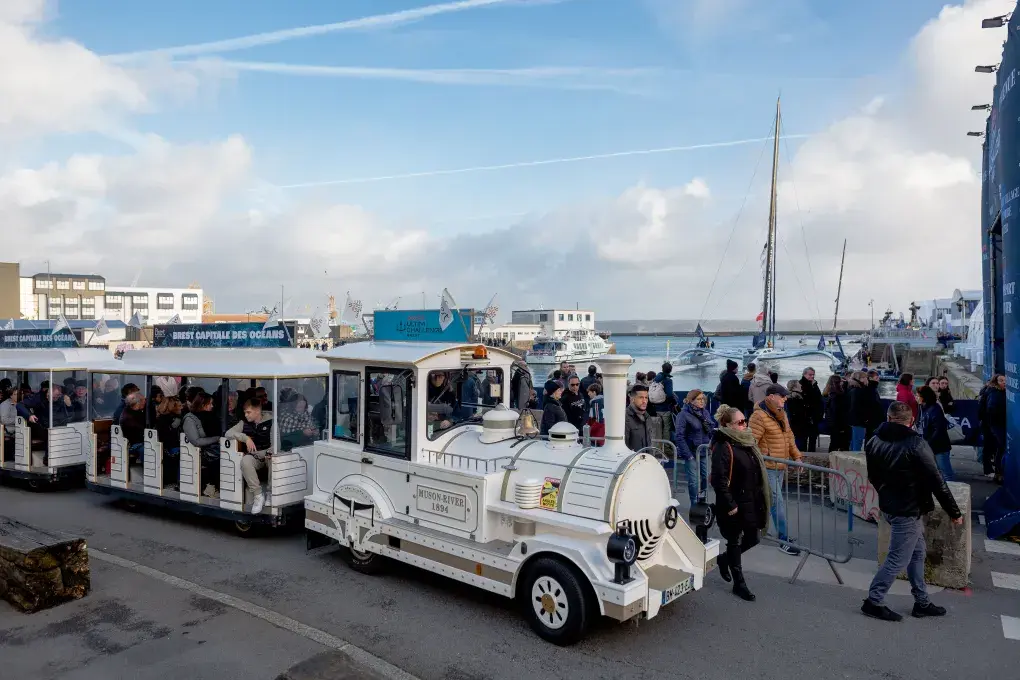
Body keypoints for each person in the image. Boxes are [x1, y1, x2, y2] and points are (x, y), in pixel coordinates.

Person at [861, 401, 963, 622]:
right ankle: (873, 601)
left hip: (890, 506)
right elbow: (938, 482)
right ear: (912, 421)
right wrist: (954, 512)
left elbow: (873, 476)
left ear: (888, 418)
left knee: (917, 553)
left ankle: (922, 602)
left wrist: (887, 494)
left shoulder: (873, 441)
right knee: (897, 559)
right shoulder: (917, 444)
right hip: (908, 510)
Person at [711, 404, 770, 602]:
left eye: (745, 421)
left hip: (751, 500)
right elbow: (719, 480)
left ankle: (724, 559)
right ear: (727, 425)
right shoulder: (723, 446)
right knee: (735, 540)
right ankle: (739, 584)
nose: (745, 425)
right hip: (734, 503)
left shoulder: (747, 442)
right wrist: (731, 505)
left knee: (753, 537)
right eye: (740, 422)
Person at [749, 383, 802, 555]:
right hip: (768, 467)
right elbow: (751, 442)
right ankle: (783, 539)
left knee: (769, 502)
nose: (785, 398)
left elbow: (789, 436)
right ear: (771, 396)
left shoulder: (782, 414)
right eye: (782, 396)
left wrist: (797, 457)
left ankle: (755, 530)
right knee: (776, 503)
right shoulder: (758, 416)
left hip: (780, 466)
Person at [225, 398, 274, 514]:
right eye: (245, 412)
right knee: (245, 461)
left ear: (257, 411)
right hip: (255, 457)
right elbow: (228, 433)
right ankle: (258, 496)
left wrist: (266, 453)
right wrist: (245, 438)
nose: (246, 415)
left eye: (248, 412)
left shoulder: (271, 421)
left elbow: (276, 445)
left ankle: (271, 493)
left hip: (267, 455)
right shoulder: (244, 423)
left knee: (274, 458)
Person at [673, 389, 716, 507]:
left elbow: (710, 430)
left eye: (703, 399)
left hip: (704, 450)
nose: (702, 401)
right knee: (693, 480)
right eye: (699, 399)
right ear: (691, 401)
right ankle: (694, 502)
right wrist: (688, 455)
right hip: (691, 452)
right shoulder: (683, 415)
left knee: (705, 476)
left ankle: (702, 498)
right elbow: (679, 436)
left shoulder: (705, 413)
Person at [182, 391, 221, 498]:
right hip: (199, 451)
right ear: (203, 405)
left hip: (212, 448)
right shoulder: (190, 419)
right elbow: (196, 441)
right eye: (210, 404)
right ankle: (211, 487)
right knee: (218, 458)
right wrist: (216, 439)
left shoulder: (212, 416)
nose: (212, 406)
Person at [916, 386, 953, 482]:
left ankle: (953, 492)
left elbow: (939, 429)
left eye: (918, 395)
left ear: (924, 397)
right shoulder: (922, 407)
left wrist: (928, 443)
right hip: (929, 445)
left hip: (939, 447)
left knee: (945, 472)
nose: (916, 397)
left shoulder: (935, 409)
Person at [978, 374, 1007, 481]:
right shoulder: (995, 393)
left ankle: (995, 471)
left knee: (995, 447)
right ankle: (994, 471)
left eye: (1005, 380)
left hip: (991, 424)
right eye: (1002, 380)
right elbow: (991, 409)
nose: (1004, 382)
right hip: (992, 424)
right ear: (996, 382)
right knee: (995, 447)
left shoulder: (994, 391)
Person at [823, 374, 850, 452]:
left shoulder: (828, 393)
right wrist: (841, 426)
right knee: (840, 443)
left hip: (831, 421)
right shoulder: (837, 396)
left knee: (834, 442)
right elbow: (837, 411)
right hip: (838, 423)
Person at [799, 368, 824, 452]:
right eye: (810, 375)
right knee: (804, 438)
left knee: (813, 437)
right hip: (805, 415)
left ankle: (811, 453)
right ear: (804, 374)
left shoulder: (814, 384)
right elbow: (807, 397)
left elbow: (819, 398)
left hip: (815, 415)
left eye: (813, 374)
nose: (812, 376)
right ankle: (804, 454)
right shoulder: (801, 384)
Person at [625, 384, 654, 452]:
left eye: (646, 398)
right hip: (633, 460)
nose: (644, 401)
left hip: (646, 459)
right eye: (641, 397)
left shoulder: (647, 417)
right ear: (632, 399)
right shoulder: (625, 418)